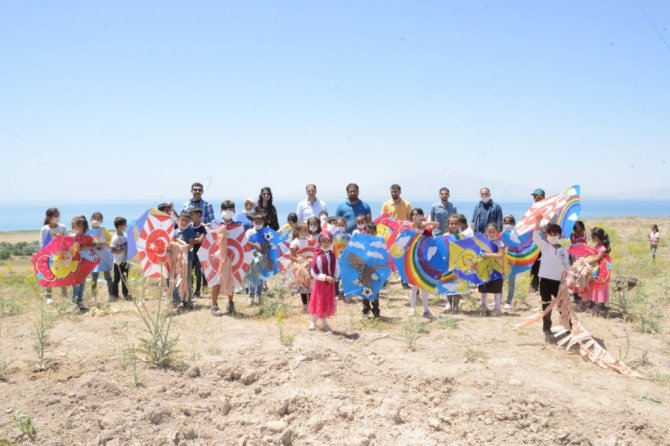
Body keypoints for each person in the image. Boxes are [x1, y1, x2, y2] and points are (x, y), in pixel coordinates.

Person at [533, 221, 570, 339]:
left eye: (555, 234)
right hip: (544, 281)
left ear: (560, 235)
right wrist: (537, 222)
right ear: (547, 235)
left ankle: (568, 328)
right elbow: (535, 237)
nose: (552, 236)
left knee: (562, 305)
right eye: (550, 234)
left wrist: (570, 275)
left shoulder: (563, 251)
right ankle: (547, 329)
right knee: (546, 305)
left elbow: (567, 266)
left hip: (558, 282)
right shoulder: (544, 246)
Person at [210, 200, 240, 316]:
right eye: (225, 209)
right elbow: (209, 240)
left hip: (232, 257)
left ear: (234, 211)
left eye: (230, 209)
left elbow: (240, 241)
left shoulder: (238, 225)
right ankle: (214, 305)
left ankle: (230, 303)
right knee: (216, 281)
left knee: (230, 280)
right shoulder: (215, 224)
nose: (228, 211)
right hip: (216, 258)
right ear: (221, 211)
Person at [308, 230, 339, 332]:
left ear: (331, 242)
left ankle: (324, 324)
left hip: (330, 284)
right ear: (320, 242)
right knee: (318, 302)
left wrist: (335, 277)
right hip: (320, 283)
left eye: (328, 242)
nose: (326, 244)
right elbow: (314, 272)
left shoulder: (333, 255)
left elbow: (337, 268)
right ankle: (313, 321)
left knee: (326, 302)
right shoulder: (317, 256)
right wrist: (325, 277)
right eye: (324, 242)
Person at [407, 208, 433, 318]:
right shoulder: (409, 230)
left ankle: (426, 310)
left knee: (424, 287)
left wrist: (427, 223)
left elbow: (430, 244)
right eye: (413, 214)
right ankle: (412, 309)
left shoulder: (427, 231)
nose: (415, 216)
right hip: (412, 261)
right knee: (413, 287)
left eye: (417, 214)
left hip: (424, 261)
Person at [39, 207, 68, 303]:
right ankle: (48, 297)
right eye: (54, 216)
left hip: (61, 256)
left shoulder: (62, 227)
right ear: (49, 217)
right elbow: (42, 243)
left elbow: (68, 240)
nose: (56, 218)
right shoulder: (45, 229)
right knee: (49, 276)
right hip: (49, 256)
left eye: (57, 216)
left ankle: (65, 296)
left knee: (62, 275)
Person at [583, 227, 612, 317]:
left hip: (602, 269)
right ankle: (594, 303)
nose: (593, 238)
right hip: (597, 268)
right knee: (594, 284)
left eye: (594, 237)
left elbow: (596, 258)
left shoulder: (603, 248)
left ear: (598, 237)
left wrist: (586, 261)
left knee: (599, 285)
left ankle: (598, 305)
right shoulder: (598, 246)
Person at [478, 223, 506, 316]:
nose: (491, 233)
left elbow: (501, 255)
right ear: (486, 231)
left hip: (496, 270)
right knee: (483, 289)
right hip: (484, 270)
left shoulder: (499, 243)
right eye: (489, 231)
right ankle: (483, 306)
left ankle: (497, 309)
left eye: (493, 231)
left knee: (497, 289)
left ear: (497, 232)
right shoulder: (483, 242)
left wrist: (488, 255)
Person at [172, 211, 196, 310]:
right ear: (178, 220)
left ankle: (188, 300)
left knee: (187, 279)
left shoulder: (190, 231)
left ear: (189, 221)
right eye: (182, 220)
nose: (184, 222)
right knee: (176, 278)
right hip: (176, 259)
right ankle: (176, 300)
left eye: (186, 220)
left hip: (187, 259)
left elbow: (191, 246)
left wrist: (182, 246)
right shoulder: (174, 232)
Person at [88, 212, 113, 302]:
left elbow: (110, 240)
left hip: (104, 256)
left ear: (101, 221)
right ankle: (93, 296)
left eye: (98, 219)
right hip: (93, 257)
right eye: (94, 218)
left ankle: (111, 295)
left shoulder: (103, 230)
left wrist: (104, 244)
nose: (96, 221)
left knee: (108, 277)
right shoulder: (87, 230)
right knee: (94, 277)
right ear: (91, 219)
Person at [71, 215, 94, 312]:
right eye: (72, 226)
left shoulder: (88, 238)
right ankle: (75, 303)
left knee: (82, 282)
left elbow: (93, 247)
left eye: (74, 225)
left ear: (81, 226)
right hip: (75, 264)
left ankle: (80, 301)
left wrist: (81, 248)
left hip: (85, 264)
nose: (72, 228)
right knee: (76, 283)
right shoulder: (72, 237)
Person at [290, 223, 314, 312]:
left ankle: (310, 304)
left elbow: (314, 252)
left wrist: (312, 260)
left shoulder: (311, 240)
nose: (307, 231)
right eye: (304, 230)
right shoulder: (295, 242)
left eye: (307, 229)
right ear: (298, 231)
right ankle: (305, 305)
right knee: (303, 286)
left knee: (311, 285)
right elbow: (291, 256)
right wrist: (298, 260)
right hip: (300, 268)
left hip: (310, 265)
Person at [245, 213, 267, 305]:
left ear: (263, 222)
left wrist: (264, 246)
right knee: (252, 276)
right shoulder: (249, 232)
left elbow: (270, 243)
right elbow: (245, 243)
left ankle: (259, 295)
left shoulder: (266, 232)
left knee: (261, 276)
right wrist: (255, 245)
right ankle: (251, 296)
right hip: (252, 256)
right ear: (253, 222)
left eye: (260, 222)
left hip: (263, 256)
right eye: (256, 222)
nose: (258, 223)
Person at [444, 214, 464, 312]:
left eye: (456, 223)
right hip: (447, 263)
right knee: (448, 282)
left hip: (458, 264)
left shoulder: (462, 237)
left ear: (459, 224)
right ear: (448, 224)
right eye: (451, 223)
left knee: (457, 283)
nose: (453, 225)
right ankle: (449, 302)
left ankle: (456, 304)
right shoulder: (444, 236)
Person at [110, 217, 132, 301]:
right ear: (119, 226)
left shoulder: (125, 236)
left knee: (125, 278)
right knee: (117, 279)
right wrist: (123, 250)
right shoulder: (115, 238)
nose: (126, 226)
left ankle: (125, 294)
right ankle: (114, 295)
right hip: (118, 262)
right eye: (124, 225)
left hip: (125, 261)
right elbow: (112, 250)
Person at [528, 188, 545, 293]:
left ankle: (545, 287)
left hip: (546, 240)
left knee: (545, 264)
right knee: (534, 263)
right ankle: (534, 286)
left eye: (538, 197)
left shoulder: (550, 209)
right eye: (535, 197)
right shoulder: (533, 209)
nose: (536, 198)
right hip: (534, 241)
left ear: (543, 197)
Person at [190, 208, 207, 298]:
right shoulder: (189, 226)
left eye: (192, 214)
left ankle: (197, 291)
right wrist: (193, 240)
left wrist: (190, 240)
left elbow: (200, 240)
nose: (190, 216)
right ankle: (190, 289)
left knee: (198, 272)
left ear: (198, 215)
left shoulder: (202, 228)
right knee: (189, 271)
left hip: (198, 253)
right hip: (189, 253)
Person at [502, 215, 517, 310]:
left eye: (509, 223)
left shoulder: (515, 234)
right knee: (500, 281)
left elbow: (517, 247)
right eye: (506, 223)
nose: (507, 225)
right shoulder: (502, 234)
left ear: (513, 224)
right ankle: (498, 299)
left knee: (511, 282)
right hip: (502, 261)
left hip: (512, 261)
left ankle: (508, 301)